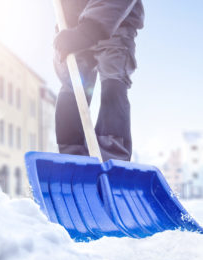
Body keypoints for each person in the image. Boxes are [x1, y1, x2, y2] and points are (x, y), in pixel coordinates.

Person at [53, 0, 144, 161]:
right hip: (71, 23)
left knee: (113, 80)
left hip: (116, 20)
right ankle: (72, 159)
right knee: (73, 86)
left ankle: (112, 159)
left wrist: (89, 30)